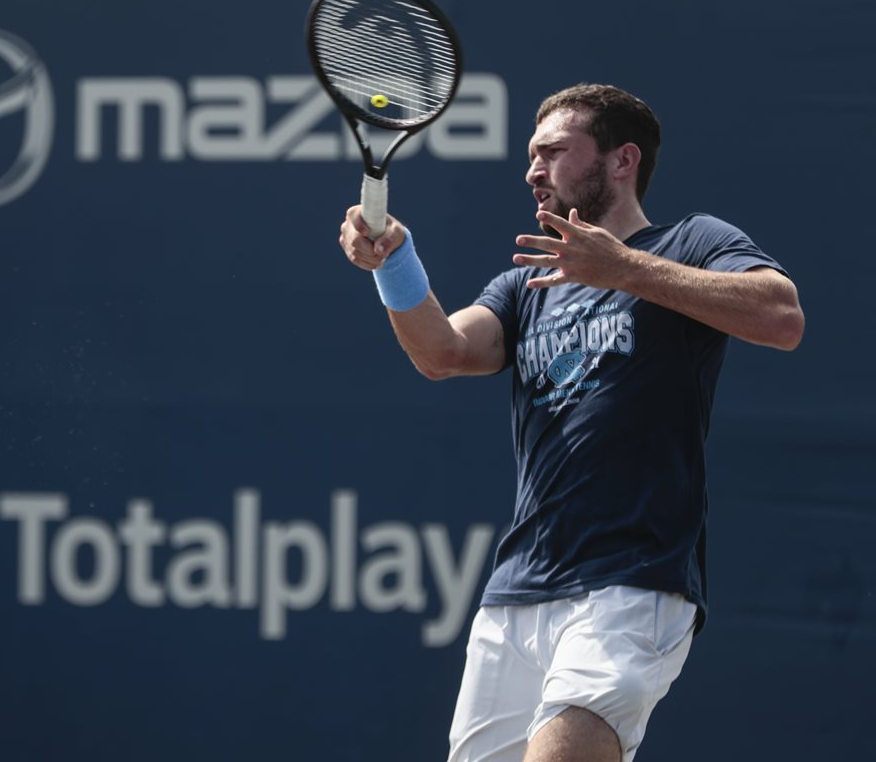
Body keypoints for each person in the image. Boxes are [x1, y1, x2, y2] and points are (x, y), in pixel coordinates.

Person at [337, 83, 804, 762]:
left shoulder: (691, 240)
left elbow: (782, 316)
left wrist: (625, 269)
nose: (534, 170)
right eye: (531, 155)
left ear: (622, 161)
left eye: (554, 151)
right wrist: (395, 260)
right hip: (516, 592)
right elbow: (442, 352)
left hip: (630, 583)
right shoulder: (524, 286)